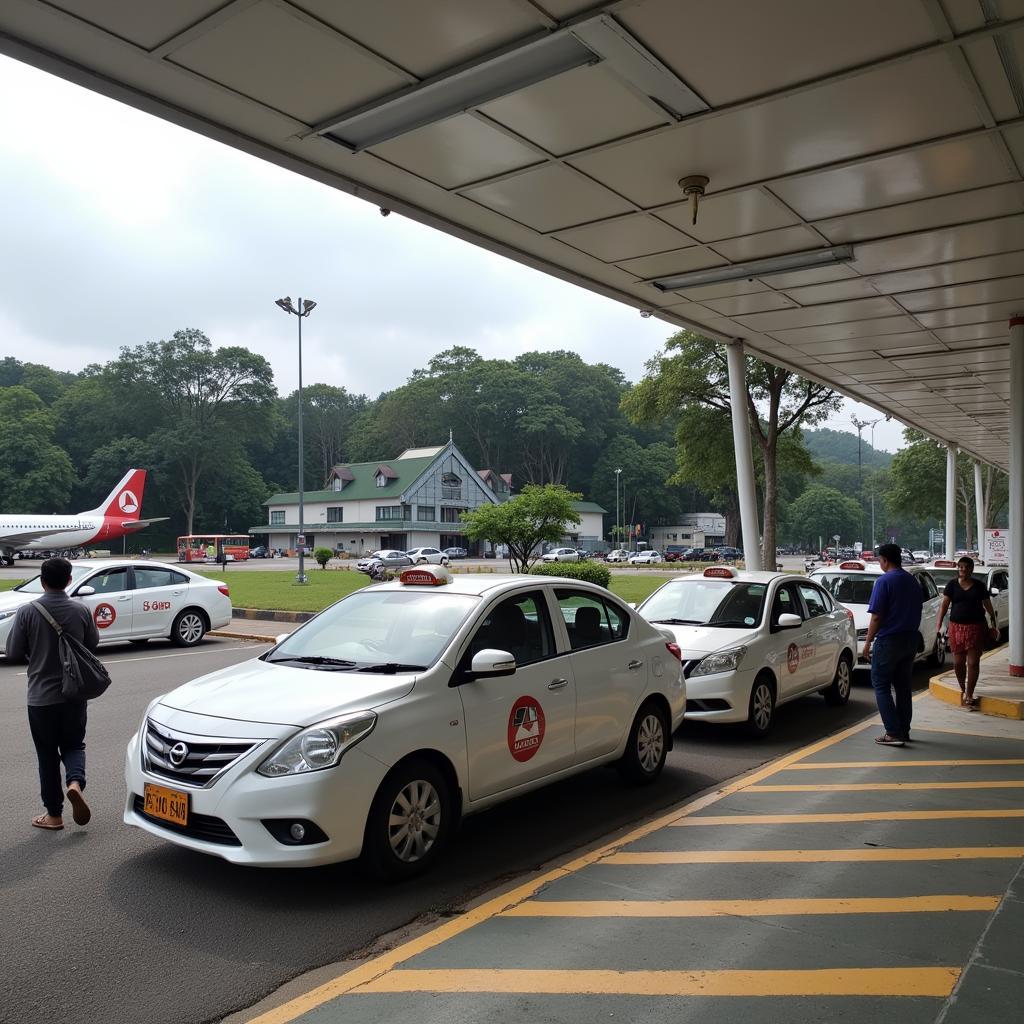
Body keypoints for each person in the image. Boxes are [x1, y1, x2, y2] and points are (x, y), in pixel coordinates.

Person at [6, 556, 99, 830]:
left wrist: (36, 654)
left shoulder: (27, 611)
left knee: (46, 755)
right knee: (74, 745)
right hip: (74, 694)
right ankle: (74, 783)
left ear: (42, 581)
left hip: (41, 698)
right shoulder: (81, 611)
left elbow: (11, 652)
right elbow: (92, 644)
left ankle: (54, 815)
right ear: (69, 580)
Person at [861, 543, 923, 747]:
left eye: (879, 560)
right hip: (910, 639)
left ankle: (893, 732)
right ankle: (903, 730)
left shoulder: (884, 581)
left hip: (889, 640)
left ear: (885, 560)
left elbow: (877, 616)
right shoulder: (912, 581)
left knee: (881, 685)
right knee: (903, 687)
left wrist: (868, 642)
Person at [935, 556, 999, 711]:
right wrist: (939, 625)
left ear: (971, 569)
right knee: (958, 662)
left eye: (966, 567)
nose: (963, 570)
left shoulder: (979, 586)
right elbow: (944, 606)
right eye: (960, 567)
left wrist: (993, 623)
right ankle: (962, 687)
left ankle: (969, 694)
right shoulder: (952, 585)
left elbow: (988, 606)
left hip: (976, 628)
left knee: (972, 663)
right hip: (956, 628)